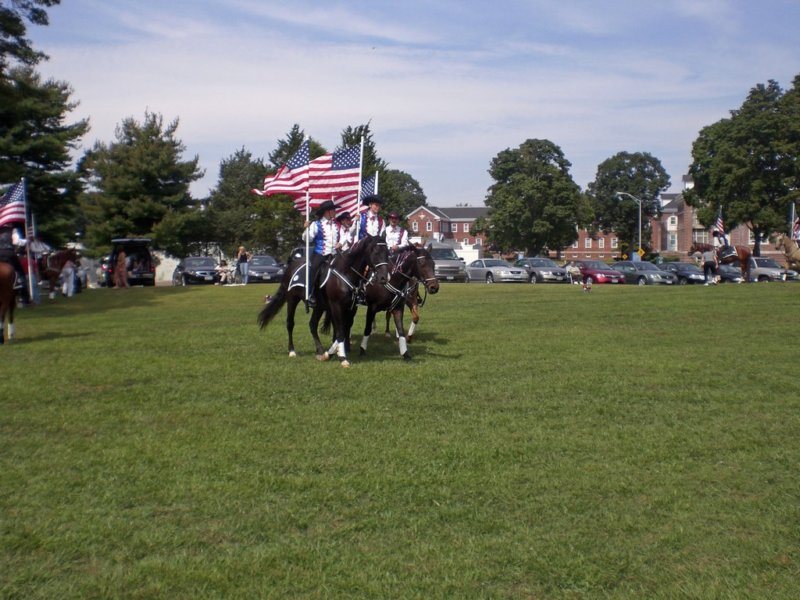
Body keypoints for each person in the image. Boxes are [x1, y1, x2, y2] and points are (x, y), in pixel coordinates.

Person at [302, 200, 339, 307]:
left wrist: (340, 243)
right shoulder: (316, 224)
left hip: (335, 254)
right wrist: (306, 229)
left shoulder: (335, 225)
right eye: (333, 210)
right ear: (327, 212)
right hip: (321, 253)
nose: (335, 211)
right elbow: (307, 239)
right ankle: (310, 294)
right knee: (314, 269)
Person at [0, 223, 30, 303]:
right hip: (9, 253)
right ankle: (23, 295)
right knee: (20, 272)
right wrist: (27, 241)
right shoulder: (13, 230)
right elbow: (16, 242)